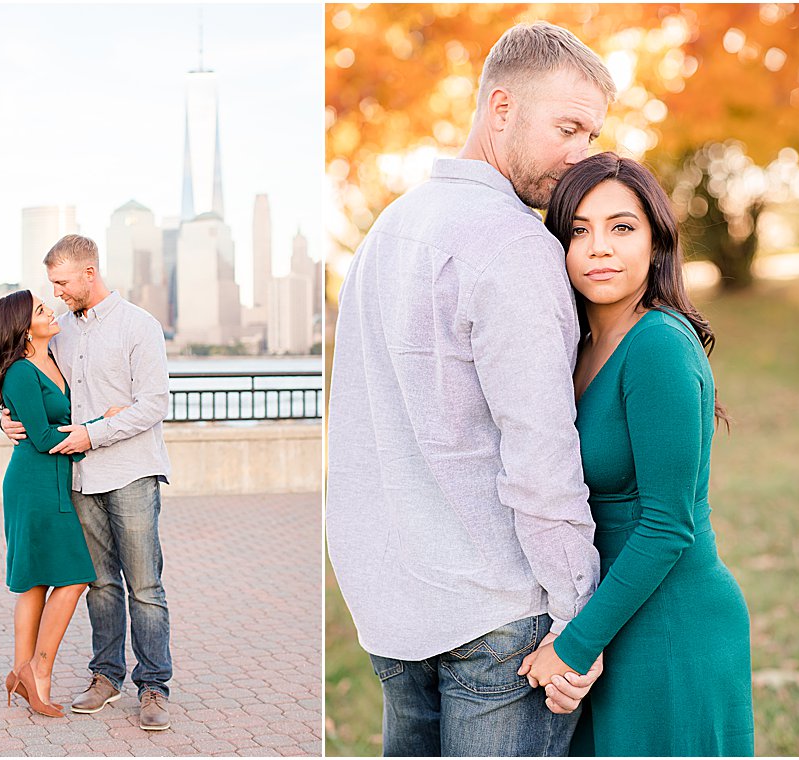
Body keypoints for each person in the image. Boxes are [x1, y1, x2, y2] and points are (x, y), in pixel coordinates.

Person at [326, 22, 616, 756]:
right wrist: (580, 617)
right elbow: (540, 449)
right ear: (501, 109)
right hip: (498, 616)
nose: (582, 153)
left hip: (393, 603)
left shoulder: (385, 233)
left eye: (591, 133)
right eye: (569, 127)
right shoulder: (514, 245)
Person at [518, 153, 754, 755]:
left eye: (622, 227)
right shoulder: (577, 347)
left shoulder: (657, 347)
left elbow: (667, 525)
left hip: (671, 624)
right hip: (613, 614)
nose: (599, 247)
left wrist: (573, 646)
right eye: (579, 229)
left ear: (656, 242)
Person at [0, 234, 174, 730]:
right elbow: (27, 384)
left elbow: (153, 404)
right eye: (51, 285)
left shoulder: (140, 326)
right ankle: (106, 677)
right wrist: (5, 420)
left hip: (131, 471)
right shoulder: (62, 333)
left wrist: (93, 433)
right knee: (99, 585)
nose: (56, 294)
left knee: (144, 585)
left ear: (89, 274)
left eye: (61, 282)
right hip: (78, 478)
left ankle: (155, 687)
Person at [0, 290, 102, 718]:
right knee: (73, 578)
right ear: (22, 327)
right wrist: (99, 430)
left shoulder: (52, 360)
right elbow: (42, 437)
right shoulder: (19, 372)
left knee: (38, 580)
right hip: (33, 485)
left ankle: (22, 672)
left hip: (54, 482)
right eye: (39, 309)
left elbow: (49, 423)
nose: (49, 310)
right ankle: (39, 672)